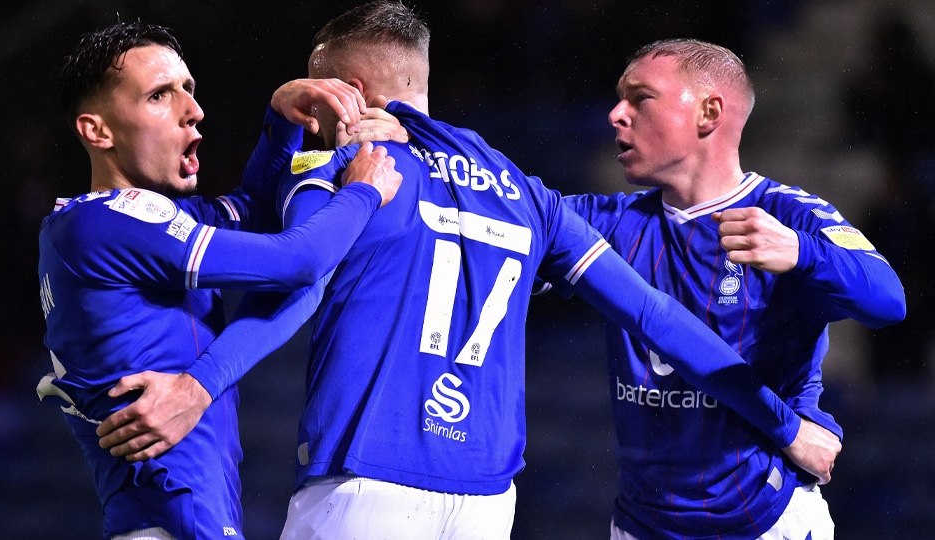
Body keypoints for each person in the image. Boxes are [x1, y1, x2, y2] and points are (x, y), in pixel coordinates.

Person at [98, 4, 840, 538]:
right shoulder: (525, 190)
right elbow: (653, 315)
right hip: (487, 504)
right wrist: (783, 426)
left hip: (367, 486)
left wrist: (200, 384)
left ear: (346, 92)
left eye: (318, 92)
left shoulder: (343, 164)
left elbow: (286, 277)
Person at [36, 21, 403, 540]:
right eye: (160, 95)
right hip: (170, 521)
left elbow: (254, 210)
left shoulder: (136, 221)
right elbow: (299, 259)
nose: (193, 110)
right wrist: (360, 185)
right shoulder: (102, 223)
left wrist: (282, 123)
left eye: (190, 89)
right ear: (98, 131)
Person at [558, 39, 906, 539]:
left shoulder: (786, 214)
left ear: (709, 112)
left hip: (765, 518)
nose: (616, 114)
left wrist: (803, 254)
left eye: (640, 98)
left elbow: (888, 301)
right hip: (642, 524)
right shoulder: (609, 223)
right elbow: (505, 207)